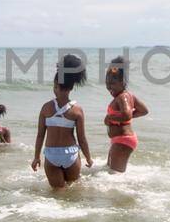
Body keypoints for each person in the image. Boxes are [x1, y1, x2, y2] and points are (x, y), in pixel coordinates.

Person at [32, 54, 92, 188]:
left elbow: (40, 135)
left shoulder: (46, 108)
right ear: (71, 88)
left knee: (58, 193)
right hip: (70, 154)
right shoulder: (77, 110)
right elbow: (81, 138)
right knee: (73, 190)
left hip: (52, 155)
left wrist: (36, 157)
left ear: (55, 86)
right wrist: (88, 157)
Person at [103, 56, 149, 173]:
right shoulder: (128, 96)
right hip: (119, 140)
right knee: (108, 170)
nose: (109, 87)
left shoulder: (122, 97)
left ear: (122, 82)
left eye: (112, 83)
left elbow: (127, 114)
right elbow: (143, 110)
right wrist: (122, 119)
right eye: (107, 83)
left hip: (123, 140)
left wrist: (110, 118)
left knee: (115, 175)